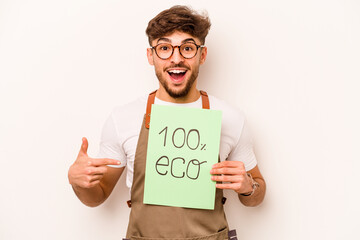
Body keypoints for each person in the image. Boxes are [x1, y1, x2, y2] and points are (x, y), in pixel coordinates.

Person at [68, 5, 266, 239]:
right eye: (164, 48)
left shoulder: (230, 118)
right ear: (151, 56)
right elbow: (97, 197)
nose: (176, 58)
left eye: (187, 48)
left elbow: (258, 194)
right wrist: (79, 182)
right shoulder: (123, 118)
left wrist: (248, 187)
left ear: (202, 55)